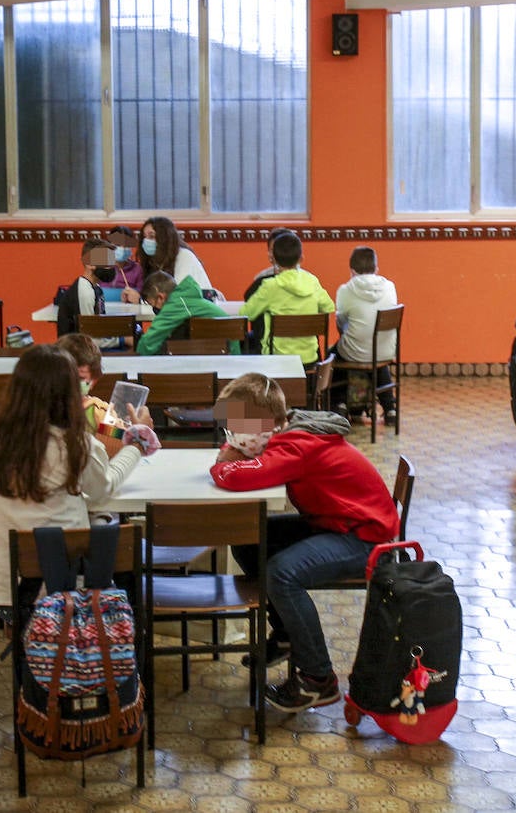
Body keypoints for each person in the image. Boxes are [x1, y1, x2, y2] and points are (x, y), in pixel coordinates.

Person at [209, 373, 399, 712]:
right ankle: (285, 634)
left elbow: (241, 476)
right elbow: (244, 458)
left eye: (240, 425)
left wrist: (222, 464)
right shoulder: (291, 434)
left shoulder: (298, 445)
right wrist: (232, 451)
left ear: (265, 424)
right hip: (338, 524)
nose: (235, 433)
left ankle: (318, 679)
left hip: (365, 540)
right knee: (251, 539)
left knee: (281, 573)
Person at [0, 345, 159, 612]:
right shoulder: (74, 443)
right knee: (114, 536)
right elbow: (103, 489)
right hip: (65, 587)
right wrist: (136, 444)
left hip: (7, 586)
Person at [241, 232, 335, 364]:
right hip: (310, 359)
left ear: (273, 258)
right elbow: (328, 308)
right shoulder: (312, 281)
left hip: (278, 360)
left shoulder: (269, 286)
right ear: (301, 258)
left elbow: (245, 315)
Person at [332, 246, 399, 424]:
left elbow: (340, 321)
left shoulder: (345, 290)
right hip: (386, 351)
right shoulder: (390, 287)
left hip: (356, 351)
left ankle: (339, 404)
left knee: (334, 356)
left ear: (352, 271)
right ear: (376, 269)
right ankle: (390, 407)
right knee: (375, 354)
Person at [135, 271, 242, 356]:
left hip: (226, 354)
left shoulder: (177, 304)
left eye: (152, 304)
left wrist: (138, 358)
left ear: (161, 297)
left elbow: (148, 342)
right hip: (226, 352)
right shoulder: (185, 298)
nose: (154, 309)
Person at [122, 216, 212, 301]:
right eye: (144, 237)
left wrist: (140, 300)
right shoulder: (154, 262)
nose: (146, 241)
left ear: (164, 238)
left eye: (152, 236)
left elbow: (177, 296)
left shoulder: (184, 256)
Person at [52, 237, 112, 337]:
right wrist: (122, 341)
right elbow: (89, 337)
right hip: (77, 349)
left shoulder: (96, 288)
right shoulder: (85, 292)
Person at [242, 227, 298, 301]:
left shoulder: (309, 280)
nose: (280, 253)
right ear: (269, 255)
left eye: (284, 250)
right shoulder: (260, 279)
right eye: (273, 250)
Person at [103, 224, 145, 300]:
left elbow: (142, 296)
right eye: (117, 244)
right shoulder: (100, 266)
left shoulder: (137, 270)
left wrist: (137, 296)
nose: (122, 248)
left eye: (126, 245)